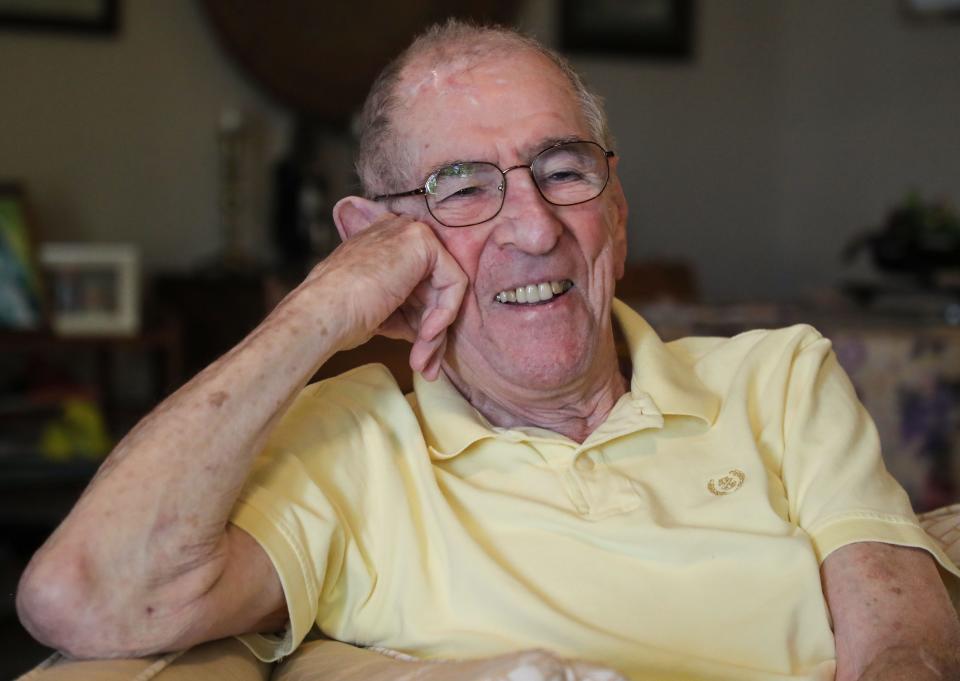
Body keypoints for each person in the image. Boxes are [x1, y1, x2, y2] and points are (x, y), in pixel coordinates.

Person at [16, 20, 960, 681]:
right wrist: (321, 306)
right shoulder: (344, 447)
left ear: (616, 212)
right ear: (374, 240)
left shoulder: (781, 379)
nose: (533, 229)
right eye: (462, 188)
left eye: (562, 171)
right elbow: (83, 596)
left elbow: (903, 646)